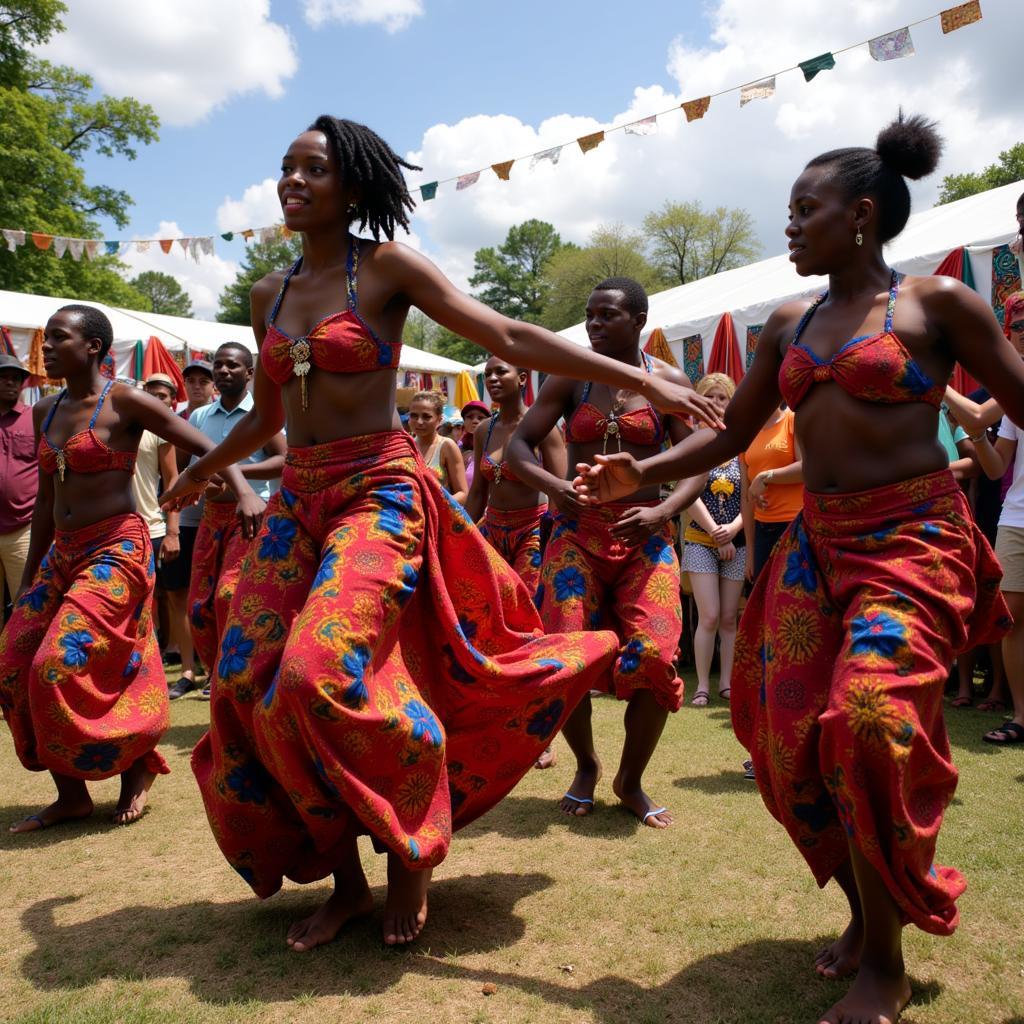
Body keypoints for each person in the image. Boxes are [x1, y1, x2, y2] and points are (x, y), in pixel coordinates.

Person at [158, 116, 719, 953]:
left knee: (318, 670)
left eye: (314, 169)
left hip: (378, 494)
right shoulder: (266, 292)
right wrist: (209, 469)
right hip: (300, 501)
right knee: (244, 682)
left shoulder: (384, 268)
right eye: (286, 167)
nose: (293, 181)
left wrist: (638, 376)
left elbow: (507, 335)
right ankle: (345, 881)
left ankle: (410, 847)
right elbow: (272, 417)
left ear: (352, 186)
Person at [573, 114, 1023, 1024]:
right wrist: (642, 472)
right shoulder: (789, 319)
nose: (788, 225)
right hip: (816, 546)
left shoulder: (938, 305)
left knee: (867, 720)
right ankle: (869, 912)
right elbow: (731, 433)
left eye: (802, 210)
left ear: (859, 215)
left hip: (913, 542)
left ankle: (885, 970)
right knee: (785, 739)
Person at [0, 305, 263, 833]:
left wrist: (240, 490)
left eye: (58, 337)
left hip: (116, 547)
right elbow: (47, 502)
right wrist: (30, 578)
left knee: (57, 662)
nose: (46, 347)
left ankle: (134, 763)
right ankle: (70, 793)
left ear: (94, 345)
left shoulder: (124, 400)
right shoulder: (43, 410)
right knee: (12, 662)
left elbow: (205, 446)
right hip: (62, 552)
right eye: (46, 338)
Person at [509, 276, 695, 830]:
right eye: (589, 315)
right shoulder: (570, 377)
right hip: (576, 534)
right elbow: (520, 444)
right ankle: (587, 765)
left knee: (659, 654)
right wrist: (552, 485)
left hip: (647, 535)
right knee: (567, 651)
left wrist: (664, 511)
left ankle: (629, 779)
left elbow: (699, 456)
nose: (592, 324)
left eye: (606, 315)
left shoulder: (668, 381)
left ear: (638, 320)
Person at [467, 355, 565, 771]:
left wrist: (559, 543)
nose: (492, 379)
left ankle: (539, 733)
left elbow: (561, 491)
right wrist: (453, 533)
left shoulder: (542, 427)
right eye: (487, 374)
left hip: (534, 532)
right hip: (493, 534)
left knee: (529, 630)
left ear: (522, 377)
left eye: (500, 372)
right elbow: (476, 496)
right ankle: (501, 723)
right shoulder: (484, 429)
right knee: (492, 628)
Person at [183, 343, 286, 700]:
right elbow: (190, 465)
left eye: (233, 365)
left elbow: (285, 461)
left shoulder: (262, 414)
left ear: (250, 374)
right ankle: (220, 678)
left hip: (252, 518)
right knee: (199, 607)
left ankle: (241, 680)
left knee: (230, 597)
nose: (224, 371)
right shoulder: (199, 417)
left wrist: (234, 472)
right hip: (211, 518)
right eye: (219, 365)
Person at [955, 294, 1024, 744]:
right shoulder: (1015, 388)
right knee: (1012, 619)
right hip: (1017, 516)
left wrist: (934, 382)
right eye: (1020, 328)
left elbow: (977, 413)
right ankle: (1021, 716)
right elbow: (997, 466)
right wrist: (977, 437)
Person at [675, 373, 744, 706]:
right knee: (711, 615)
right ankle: (702, 684)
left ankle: (726, 683)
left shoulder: (740, 442)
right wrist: (718, 534)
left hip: (737, 541)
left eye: (723, 398)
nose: (717, 403)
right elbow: (687, 494)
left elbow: (752, 492)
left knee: (730, 618)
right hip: (701, 540)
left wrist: (734, 529)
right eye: (711, 397)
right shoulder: (692, 442)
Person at [740, 404, 803, 582]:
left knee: (792, 597)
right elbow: (746, 497)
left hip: (793, 526)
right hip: (762, 530)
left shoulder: (792, 419)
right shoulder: (747, 432)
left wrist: (766, 477)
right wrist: (750, 552)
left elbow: (806, 468)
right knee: (765, 600)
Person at [0, 354, 37, 623]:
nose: (10, 383)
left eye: (16, 378)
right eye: (3, 377)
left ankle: (23, 666)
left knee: (28, 607)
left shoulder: (36, 418)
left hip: (24, 528)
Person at [407, 390, 467, 503]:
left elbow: (462, 494)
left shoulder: (447, 446)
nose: (419, 422)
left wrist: (435, 508)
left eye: (426, 417)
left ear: (439, 420)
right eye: (414, 416)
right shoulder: (406, 447)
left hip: (441, 518)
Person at [460, 399, 490, 488]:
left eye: (480, 418)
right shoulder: (457, 448)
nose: (475, 421)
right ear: (464, 421)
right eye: (469, 417)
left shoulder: (494, 447)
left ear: (489, 421)